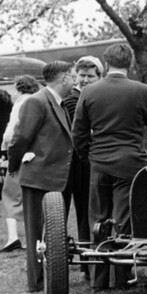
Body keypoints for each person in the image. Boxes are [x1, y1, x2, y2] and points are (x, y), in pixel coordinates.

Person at [72, 43, 147, 290]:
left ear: (106, 62)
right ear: (130, 63)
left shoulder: (89, 91)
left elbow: (78, 131)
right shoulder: (141, 90)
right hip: (130, 162)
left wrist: (88, 155)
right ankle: (120, 277)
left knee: (98, 219)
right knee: (122, 220)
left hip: (99, 162)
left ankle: (98, 279)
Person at [7, 61, 76, 292]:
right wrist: (14, 166)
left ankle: (50, 276)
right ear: (64, 78)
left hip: (56, 177)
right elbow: (19, 139)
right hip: (38, 177)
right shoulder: (36, 102)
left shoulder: (59, 103)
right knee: (37, 232)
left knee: (52, 233)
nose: (76, 81)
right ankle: (37, 282)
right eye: (73, 76)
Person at [62, 55, 103, 277]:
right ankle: (84, 262)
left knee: (90, 213)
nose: (85, 80)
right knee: (77, 211)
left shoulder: (95, 96)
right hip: (76, 164)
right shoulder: (71, 98)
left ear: (99, 77)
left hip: (90, 162)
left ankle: (91, 261)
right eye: (82, 75)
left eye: (90, 76)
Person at [0, 75, 41, 253]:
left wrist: (6, 146)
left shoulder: (21, 103)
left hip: (20, 155)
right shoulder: (39, 100)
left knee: (10, 195)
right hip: (37, 155)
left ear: (18, 89)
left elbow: (11, 134)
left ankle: (12, 238)